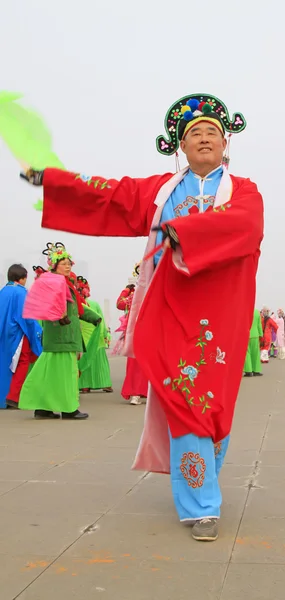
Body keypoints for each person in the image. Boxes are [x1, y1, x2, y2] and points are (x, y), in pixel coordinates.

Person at [20, 93, 264, 542]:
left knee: (214, 409)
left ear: (226, 143)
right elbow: (109, 194)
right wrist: (53, 182)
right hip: (171, 309)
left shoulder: (244, 191)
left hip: (220, 317)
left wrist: (183, 231)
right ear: (180, 147)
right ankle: (202, 505)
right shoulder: (162, 191)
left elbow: (246, 226)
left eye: (212, 132)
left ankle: (202, 480)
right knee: (185, 402)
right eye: (195, 134)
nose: (204, 139)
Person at [19, 243, 101, 419]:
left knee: (50, 375)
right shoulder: (50, 282)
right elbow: (47, 306)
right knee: (66, 375)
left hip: (63, 337)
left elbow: (76, 307)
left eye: (69, 263)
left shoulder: (66, 283)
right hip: (60, 337)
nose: (68, 266)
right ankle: (68, 408)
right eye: (63, 263)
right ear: (54, 265)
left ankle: (43, 408)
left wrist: (94, 317)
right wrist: (58, 316)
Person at [0, 264, 42, 409]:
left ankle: (4, 396)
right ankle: (13, 396)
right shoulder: (21, 293)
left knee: (4, 363)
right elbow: (27, 317)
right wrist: (38, 331)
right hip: (17, 333)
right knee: (22, 362)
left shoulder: (3, 291)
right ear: (23, 278)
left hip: (3, 333)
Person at [115, 264, 148, 405]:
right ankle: (136, 392)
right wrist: (127, 290)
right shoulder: (135, 293)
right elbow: (120, 304)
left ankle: (145, 392)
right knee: (135, 362)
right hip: (136, 331)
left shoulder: (154, 289)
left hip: (151, 329)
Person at [76, 276, 113, 393]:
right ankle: (105, 383)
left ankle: (84, 385)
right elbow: (100, 320)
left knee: (84, 360)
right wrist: (105, 334)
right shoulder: (94, 304)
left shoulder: (77, 305)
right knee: (99, 361)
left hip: (83, 336)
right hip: (96, 336)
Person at [243, 308, 263, 377]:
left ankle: (248, 371)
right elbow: (259, 324)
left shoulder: (244, 311)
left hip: (246, 335)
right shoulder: (257, 312)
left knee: (247, 353)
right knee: (256, 353)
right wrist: (261, 334)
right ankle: (256, 370)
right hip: (255, 335)